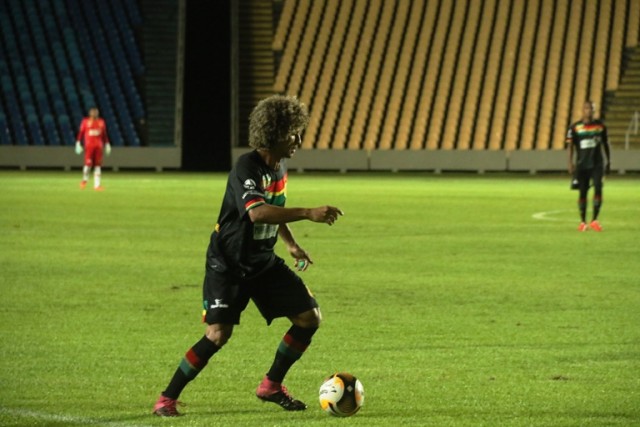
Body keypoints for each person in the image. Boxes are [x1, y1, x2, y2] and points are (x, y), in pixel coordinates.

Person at [153, 95, 344, 417]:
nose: (298, 139)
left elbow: (275, 209)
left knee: (309, 318)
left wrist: (291, 243)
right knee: (217, 335)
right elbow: (256, 213)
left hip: (262, 262)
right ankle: (166, 399)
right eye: (292, 133)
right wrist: (309, 212)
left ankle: (271, 385)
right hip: (227, 264)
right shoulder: (246, 167)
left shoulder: (279, 167)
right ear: (272, 133)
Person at [566, 100, 611, 231]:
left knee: (598, 188)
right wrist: (570, 163)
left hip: (597, 164)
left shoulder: (600, 126)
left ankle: (595, 220)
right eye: (586, 108)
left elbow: (605, 144)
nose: (588, 111)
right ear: (582, 110)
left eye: (590, 108)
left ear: (594, 111)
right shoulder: (574, 127)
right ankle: (582, 222)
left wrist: (608, 161)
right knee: (583, 192)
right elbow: (570, 146)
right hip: (582, 165)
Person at [75, 107, 111, 190]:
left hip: (99, 147)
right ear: (90, 113)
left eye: (96, 112)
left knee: (98, 166)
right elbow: (81, 132)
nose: (94, 114)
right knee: (88, 165)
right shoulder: (85, 121)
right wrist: (78, 142)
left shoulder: (101, 122)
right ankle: (84, 180)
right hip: (89, 147)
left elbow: (104, 134)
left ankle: (97, 185)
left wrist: (107, 144)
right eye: (93, 112)